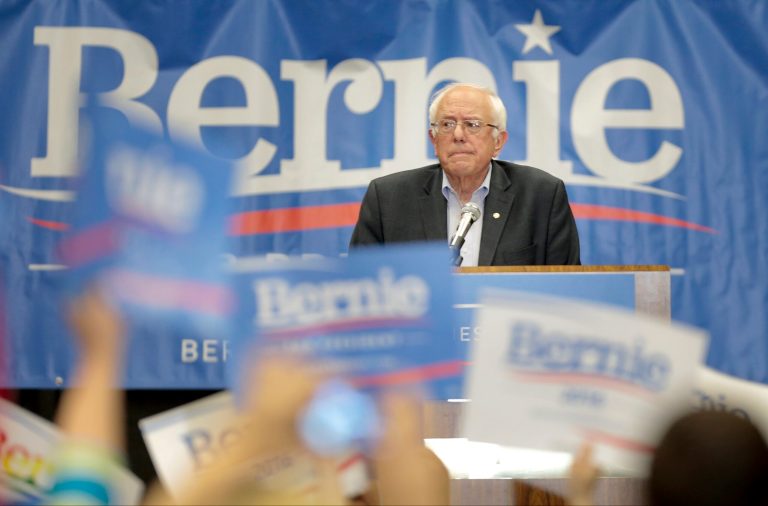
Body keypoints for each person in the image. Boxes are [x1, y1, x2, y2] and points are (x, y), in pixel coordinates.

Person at [349, 83, 580, 266]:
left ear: (498, 141)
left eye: (473, 124)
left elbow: (566, 285)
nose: (458, 135)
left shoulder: (542, 196)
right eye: (447, 125)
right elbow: (362, 285)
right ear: (434, 139)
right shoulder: (388, 199)